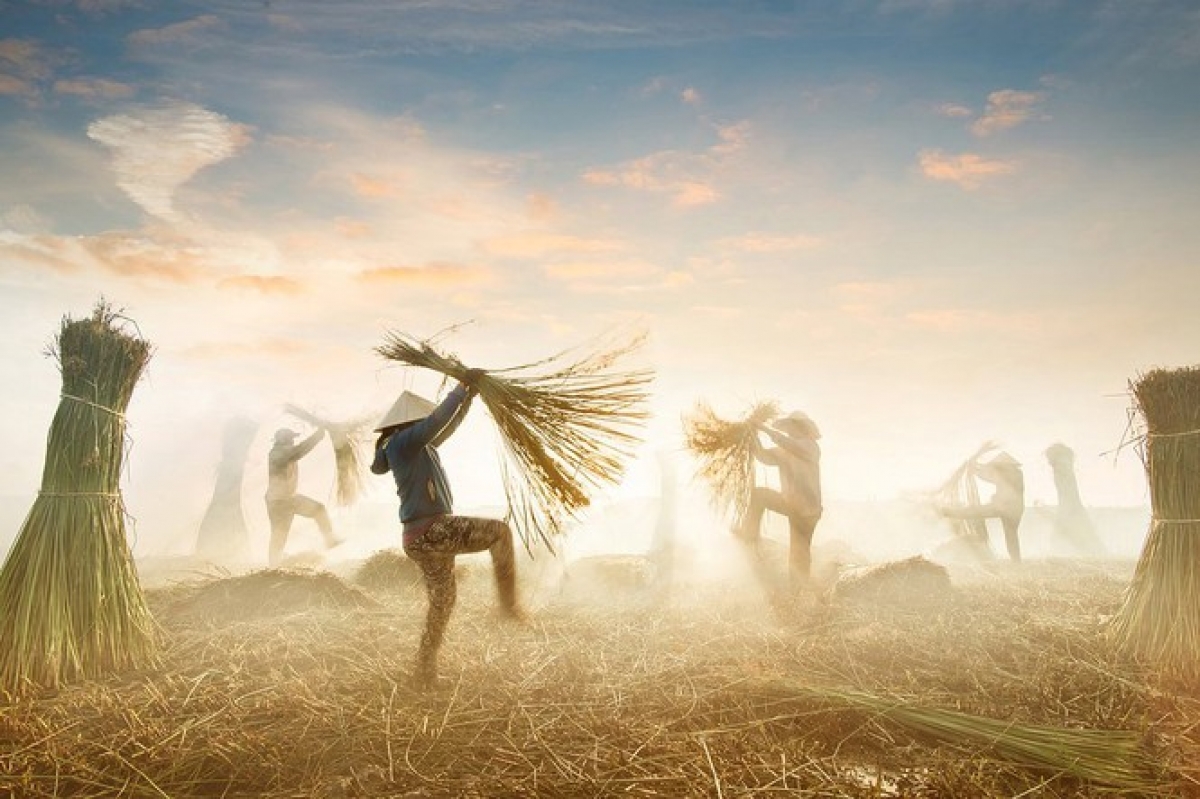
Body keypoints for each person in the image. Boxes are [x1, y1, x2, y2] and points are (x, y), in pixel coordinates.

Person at [370, 372, 523, 690]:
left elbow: (447, 424)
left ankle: (423, 673)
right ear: (410, 421)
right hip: (433, 530)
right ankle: (508, 607)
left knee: (443, 603)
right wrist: (460, 387)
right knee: (500, 532)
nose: (426, 423)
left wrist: (469, 396)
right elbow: (438, 420)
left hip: (420, 538)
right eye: (421, 420)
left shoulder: (414, 446)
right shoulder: (404, 441)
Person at [739, 410, 823, 588]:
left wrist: (763, 428)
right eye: (787, 428)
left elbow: (789, 444)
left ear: (801, 427)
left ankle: (799, 591)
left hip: (808, 511)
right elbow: (763, 457)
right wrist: (752, 435)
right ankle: (750, 535)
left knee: (798, 554)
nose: (788, 430)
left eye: (790, 427)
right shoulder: (784, 449)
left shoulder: (810, 447)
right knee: (758, 495)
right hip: (792, 505)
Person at [265, 426, 341, 567]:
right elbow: (299, 451)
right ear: (283, 440)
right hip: (279, 501)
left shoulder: (285, 452)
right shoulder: (277, 453)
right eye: (291, 439)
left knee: (318, 510)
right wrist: (318, 436)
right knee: (279, 535)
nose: (293, 441)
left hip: (288, 498)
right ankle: (273, 566)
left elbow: (297, 451)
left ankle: (330, 540)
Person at [938, 449, 1025, 562]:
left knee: (975, 512)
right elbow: (990, 476)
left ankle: (948, 512)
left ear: (1004, 466)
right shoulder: (1015, 473)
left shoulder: (1009, 474)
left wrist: (975, 468)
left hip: (1004, 507)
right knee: (1011, 536)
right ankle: (1016, 561)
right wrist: (977, 467)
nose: (996, 468)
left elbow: (988, 477)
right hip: (1013, 508)